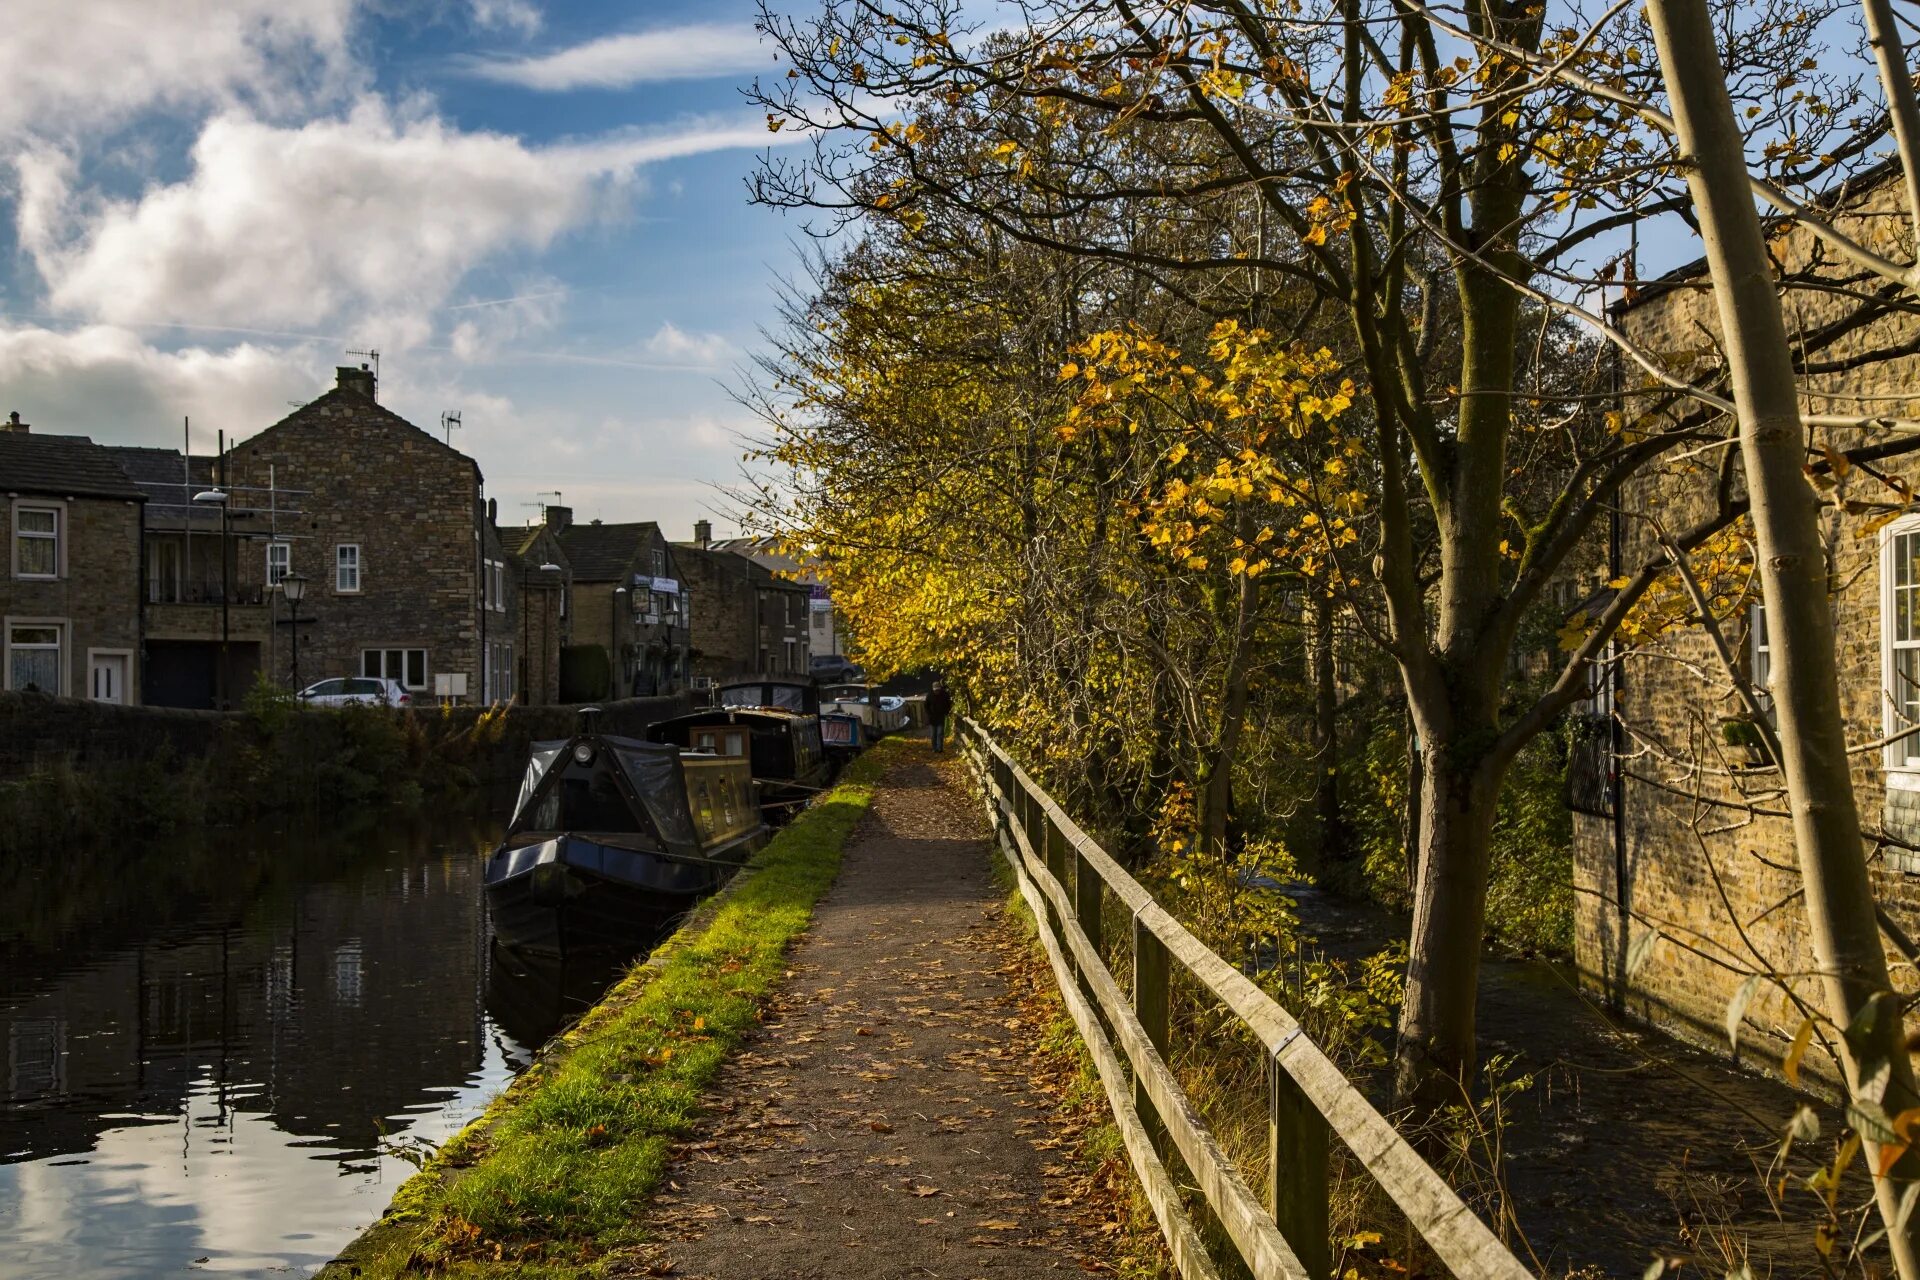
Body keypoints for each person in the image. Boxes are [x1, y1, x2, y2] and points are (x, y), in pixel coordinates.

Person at [925, 680, 953, 753]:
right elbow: (926, 706)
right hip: (932, 718)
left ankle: (940, 748)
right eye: (935, 690)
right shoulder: (929, 695)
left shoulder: (945, 695)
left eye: (938, 690)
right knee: (933, 735)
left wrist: (947, 712)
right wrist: (929, 714)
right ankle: (934, 748)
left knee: (940, 733)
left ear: (940, 689)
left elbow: (948, 704)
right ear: (933, 689)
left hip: (941, 717)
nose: (937, 691)